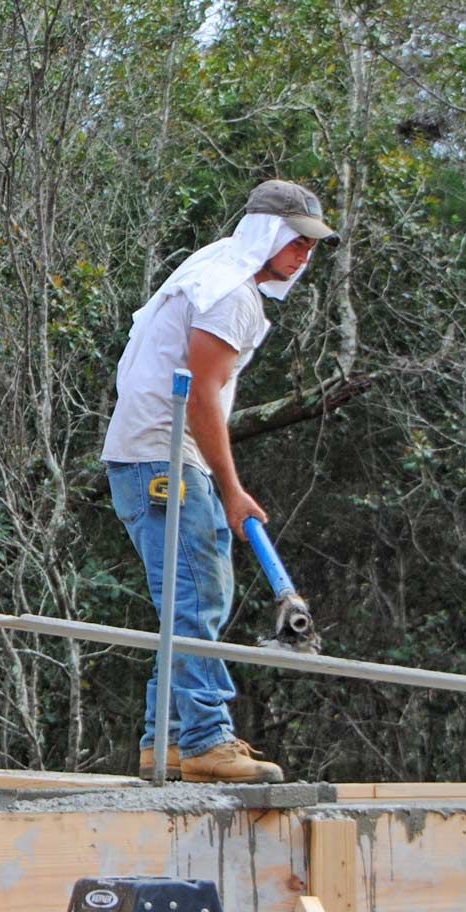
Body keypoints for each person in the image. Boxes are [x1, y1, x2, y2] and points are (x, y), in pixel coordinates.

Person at [101, 180, 338, 783]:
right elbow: (203, 396)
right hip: (164, 457)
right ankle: (206, 736)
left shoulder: (213, 269)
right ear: (267, 232)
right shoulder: (231, 294)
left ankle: (169, 742)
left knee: (182, 605)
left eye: (312, 245)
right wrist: (231, 491)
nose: (304, 255)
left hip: (148, 455)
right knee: (199, 598)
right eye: (296, 241)